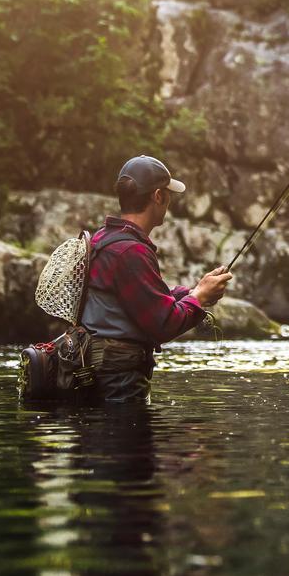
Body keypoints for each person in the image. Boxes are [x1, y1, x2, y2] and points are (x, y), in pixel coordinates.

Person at [77, 154, 232, 405]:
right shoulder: (130, 251)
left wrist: (192, 292)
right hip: (118, 381)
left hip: (97, 370)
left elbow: (138, 298)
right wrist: (199, 298)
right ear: (158, 196)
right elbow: (163, 324)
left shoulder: (103, 238)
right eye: (168, 194)